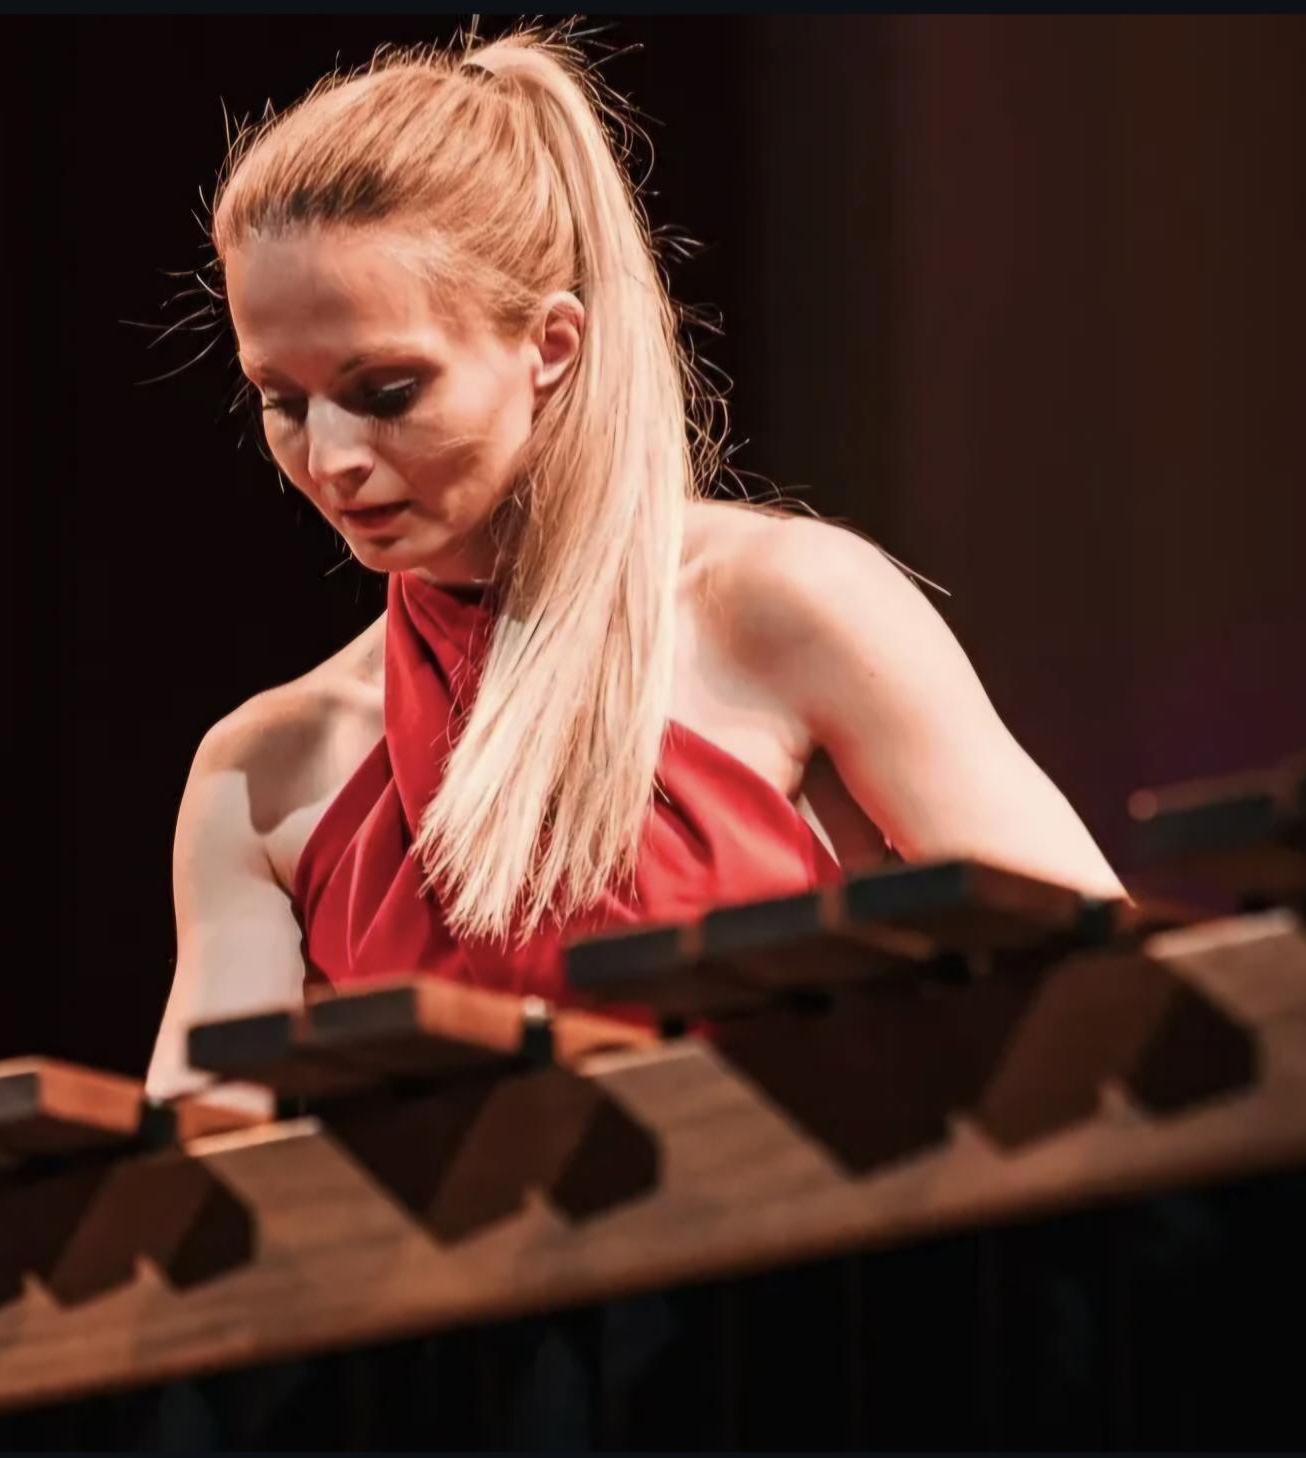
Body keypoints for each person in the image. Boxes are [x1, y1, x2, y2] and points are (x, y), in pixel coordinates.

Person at [146, 26, 1125, 1101]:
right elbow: (199, 1182)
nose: (329, 459)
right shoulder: (263, 770)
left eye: (386, 393)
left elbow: (1105, 986)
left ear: (551, 347)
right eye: (282, 403)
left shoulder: (784, 605)